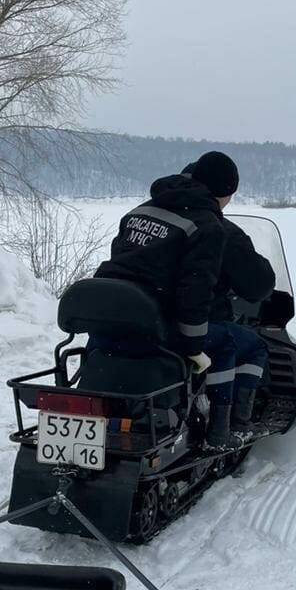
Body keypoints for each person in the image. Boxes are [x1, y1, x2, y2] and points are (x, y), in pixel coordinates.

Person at [94, 150, 246, 450]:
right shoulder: (207, 225)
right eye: (230, 194)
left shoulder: (141, 210)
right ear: (224, 191)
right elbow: (195, 291)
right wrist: (194, 347)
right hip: (157, 322)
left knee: (108, 342)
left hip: (111, 313)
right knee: (227, 341)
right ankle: (219, 433)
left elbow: (122, 264)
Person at [201, 207, 276, 439]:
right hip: (194, 323)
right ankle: (233, 425)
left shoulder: (151, 219)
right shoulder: (221, 230)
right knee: (252, 346)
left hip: (148, 320)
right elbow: (257, 284)